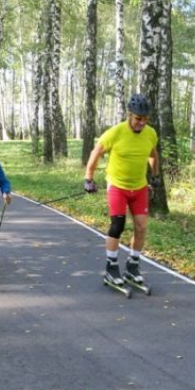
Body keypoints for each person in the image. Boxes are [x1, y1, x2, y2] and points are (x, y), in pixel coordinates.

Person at [83, 94, 160, 288]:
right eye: (138, 119)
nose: (141, 123)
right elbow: (96, 153)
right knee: (118, 224)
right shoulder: (115, 133)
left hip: (140, 187)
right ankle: (111, 266)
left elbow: (153, 154)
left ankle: (133, 265)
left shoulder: (150, 133)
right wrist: (89, 178)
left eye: (144, 119)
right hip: (117, 186)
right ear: (129, 115)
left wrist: (155, 175)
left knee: (141, 226)